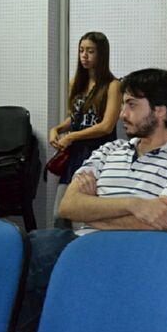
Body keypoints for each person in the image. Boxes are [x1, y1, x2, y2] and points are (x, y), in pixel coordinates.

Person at [0, 68, 167, 332]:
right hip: (82, 252)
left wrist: (94, 217)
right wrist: (134, 204)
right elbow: (70, 205)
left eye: (132, 104)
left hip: (145, 264)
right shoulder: (110, 150)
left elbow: (158, 222)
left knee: (18, 263)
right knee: (18, 281)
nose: (122, 113)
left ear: (161, 110)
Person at [48, 32, 121, 227]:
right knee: (60, 214)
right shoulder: (76, 83)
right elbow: (76, 117)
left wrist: (71, 136)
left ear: (102, 54)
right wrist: (57, 129)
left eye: (90, 51)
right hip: (75, 154)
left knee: (85, 217)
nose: (84, 56)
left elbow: (106, 126)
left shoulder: (113, 86)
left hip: (97, 154)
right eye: (81, 51)